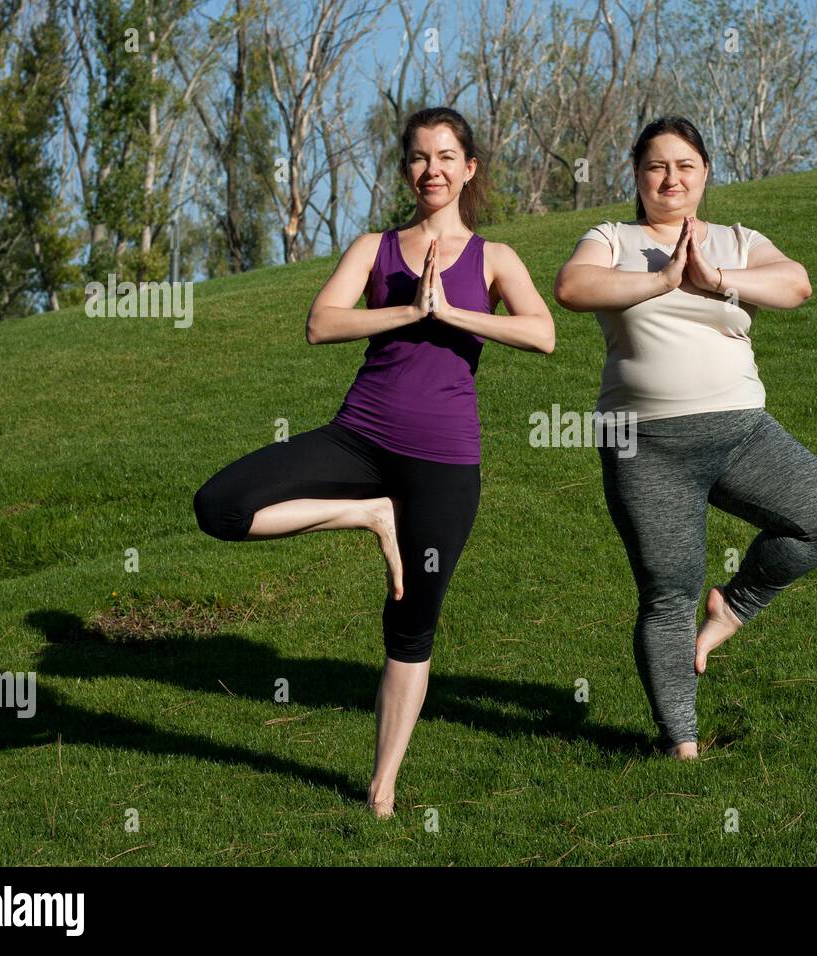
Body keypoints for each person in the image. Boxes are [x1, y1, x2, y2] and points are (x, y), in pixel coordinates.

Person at [193, 107, 554, 816]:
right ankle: (367, 513)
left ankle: (382, 788)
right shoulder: (375, 248)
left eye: (447, 156)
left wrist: (453, 311)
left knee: (411, 623)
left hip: (445, 463)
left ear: (470, 168)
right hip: (358, 436)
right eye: (420, 158)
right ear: (406, 169)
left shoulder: (496, 258)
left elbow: (542, 334)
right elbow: (321, 322)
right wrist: (409, 311)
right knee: (222, 506)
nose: (433, 170)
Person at [553, 116, 817, 759]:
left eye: (685, 165)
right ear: (637, 176)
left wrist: (718, 280)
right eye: (657, 166)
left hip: (741, 430)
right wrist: (662, 281)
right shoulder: (612, 238)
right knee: (669, 591)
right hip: (645, 443)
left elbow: (796, 284)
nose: (672, 178)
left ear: (705, 174)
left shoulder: (738, 240)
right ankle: (681, 745)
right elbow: (572, 287)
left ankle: (733, 610)